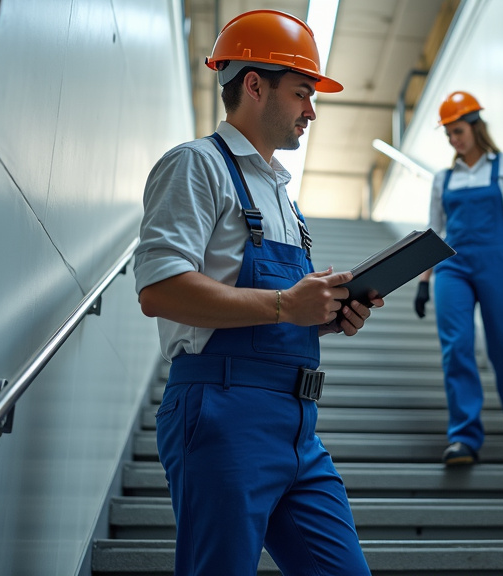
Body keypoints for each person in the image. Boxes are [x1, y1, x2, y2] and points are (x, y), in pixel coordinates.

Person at [133, 10, 381, 576]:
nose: (311, 111)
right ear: (253, 85)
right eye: (301, 92)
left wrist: (325, 313)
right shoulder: (196, 165)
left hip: (297, 426)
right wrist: (286, 304)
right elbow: (160, 288)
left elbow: (278, 312)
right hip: (222, 413)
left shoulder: (282, 196)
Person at [414, 90, 503, 466]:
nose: (454, 140)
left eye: (458, 131)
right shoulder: (443, 179)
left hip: (497, 263)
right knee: (457, 346)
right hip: (452, 266)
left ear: (474, 126)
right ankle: (464, 439)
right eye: (449, 134)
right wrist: (424, 282)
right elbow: (434, 233)